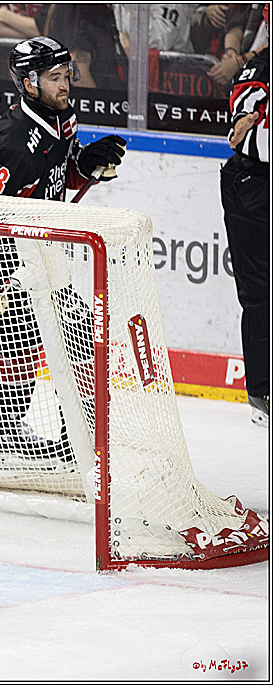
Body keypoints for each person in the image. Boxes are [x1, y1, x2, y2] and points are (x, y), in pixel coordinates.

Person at [0, 36, 126, 468]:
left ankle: (74, 435)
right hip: (0, 260)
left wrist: (85, 164)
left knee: (78, 339)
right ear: (29, 83)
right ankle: (7, 436)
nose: (65, 84)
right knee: (23, 349)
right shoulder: (13, 141)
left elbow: (62, 176)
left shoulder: (63, 116)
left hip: (42, 255)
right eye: (54, 78)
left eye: (66, 74)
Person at [220, 32, 268, 426]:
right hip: (253, 185)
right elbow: (243, 122)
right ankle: (262, 393)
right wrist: (247, 121)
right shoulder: (261, 66)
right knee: (260, 295)